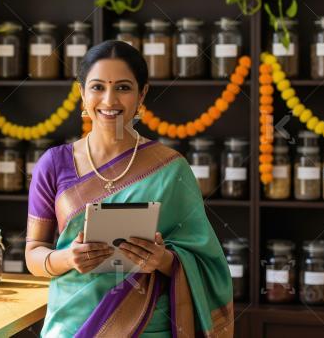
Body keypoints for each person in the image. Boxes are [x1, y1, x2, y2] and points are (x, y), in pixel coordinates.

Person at [25, 40, 233, 337]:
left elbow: (207, 262)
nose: (109, 101)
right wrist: (68, 258)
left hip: (151, 327)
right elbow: (33, 254)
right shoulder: (54, 164)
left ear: (142, 94)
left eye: (123, 87)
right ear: (82, 93)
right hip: (72, 326)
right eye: (97, 87)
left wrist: (163, 260)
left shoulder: (171, 169)